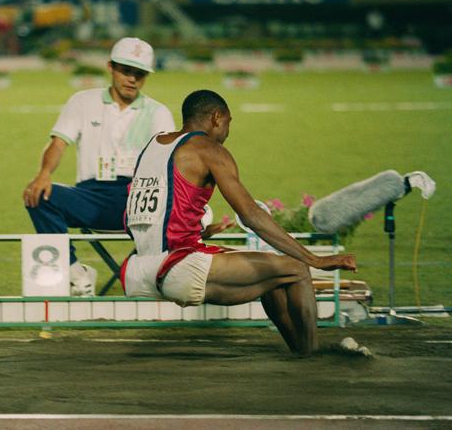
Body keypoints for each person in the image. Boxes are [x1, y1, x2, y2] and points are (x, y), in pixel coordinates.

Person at [122, 89, 356, 356]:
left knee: (273, 273)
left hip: (139, 272)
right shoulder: (210, 150)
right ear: (217, 117)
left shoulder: (152, 146)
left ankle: (302, 352)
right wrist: (316, 259)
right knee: (298, 269)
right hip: (180, 268)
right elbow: (251, 215)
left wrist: (200, 231)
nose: (227, 132)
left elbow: (133, 219)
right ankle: (315, 356)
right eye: (229, 123)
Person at [23, 37, 176, 296]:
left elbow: (169, 164)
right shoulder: (82, 101)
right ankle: (76, 274)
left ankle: (160, 279)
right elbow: (59, 143)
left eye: (140, 74)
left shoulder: (158, 113)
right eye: (126, 71)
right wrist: (43, 175)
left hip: (138, 200)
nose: (132, 79)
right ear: (111, 67)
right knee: (40, 196)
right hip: (90, 197)